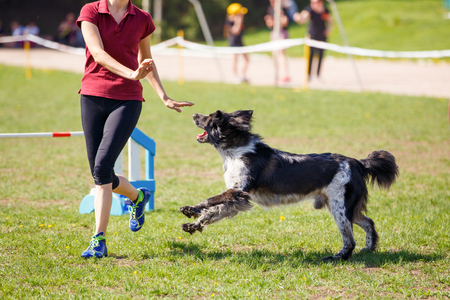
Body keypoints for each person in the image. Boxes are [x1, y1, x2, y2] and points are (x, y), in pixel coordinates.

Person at [76, 0, 194, 258]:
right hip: (92, 96)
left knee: (102, 169)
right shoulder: (91, 11)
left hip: (127, 99)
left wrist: (164, 96)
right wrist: (130, 73)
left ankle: (99, 240)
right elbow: (97, 53)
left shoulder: (142, 19)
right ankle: (138, 197)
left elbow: (145, 61)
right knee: (100, 174)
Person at [293, 0, 333, 80]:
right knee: (310, 55)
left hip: (322, 36)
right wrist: (298, 18)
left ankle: (318, 74)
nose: (313, 4)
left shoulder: (325, 10)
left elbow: (330, 21)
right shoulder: (310, 10)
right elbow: (303, 17)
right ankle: (309, 75)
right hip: (312, 36)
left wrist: (328, 30)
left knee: (320, 55)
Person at [264, 0, 291, 86]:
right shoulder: (270, 9)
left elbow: (284, 22)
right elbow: (270, 24)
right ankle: (277, 74)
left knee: (281, 54)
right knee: (274, 54)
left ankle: (285, 74)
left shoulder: (283, 8)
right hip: (274, 33)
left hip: (282, 33)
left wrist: (278, 18)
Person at [224, 3, 249, 84]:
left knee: (247, 59)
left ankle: (243, 75)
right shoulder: (230, 21)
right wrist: (238, 21)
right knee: (235, 59)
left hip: (240, 42)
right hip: (234, 42)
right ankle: (235, 76)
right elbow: (235, 31)